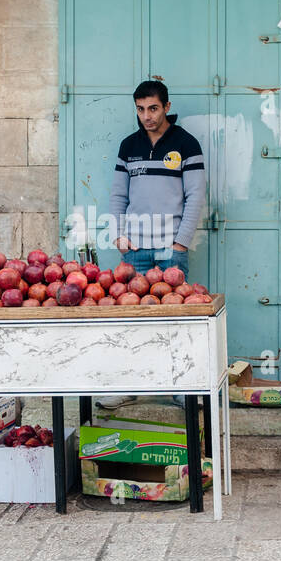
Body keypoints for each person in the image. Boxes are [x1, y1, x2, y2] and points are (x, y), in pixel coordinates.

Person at [98, 79, 208, 411]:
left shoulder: (187, 144)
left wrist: (181, 244)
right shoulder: (128, 146)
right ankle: (130, 387)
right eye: (141, 109)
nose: (147, 116)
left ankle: (182, 388)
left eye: (153, 108)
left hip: (170, 249)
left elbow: (195, 198)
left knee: (176, 319)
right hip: (135, 251)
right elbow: (118, 196)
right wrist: (119, 236)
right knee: (132, 321)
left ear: (167, 107)